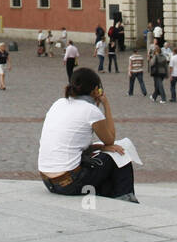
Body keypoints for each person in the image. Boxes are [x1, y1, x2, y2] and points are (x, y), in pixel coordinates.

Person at [37, 68, 137, 203]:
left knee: (105, 160)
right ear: (95, 90)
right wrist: (106, 104)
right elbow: (110, 139)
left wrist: (98, 148)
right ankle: (126, 198)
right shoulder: (91, 111)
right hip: (69, 183)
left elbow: (70, 146)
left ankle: (115, 194)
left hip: (48, 181)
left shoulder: (58, 103)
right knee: (121, 151)